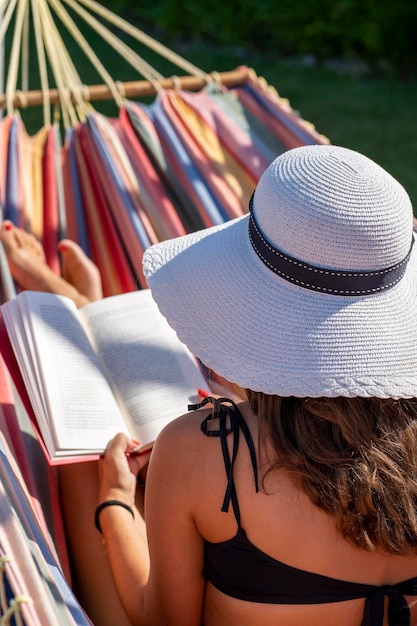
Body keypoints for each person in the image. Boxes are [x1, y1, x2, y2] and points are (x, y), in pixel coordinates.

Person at [2, 144, 417, 626]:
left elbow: (160, 621)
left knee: (86, 470)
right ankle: (84, 313)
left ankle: (80, 318)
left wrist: (115, 502)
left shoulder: (204, 451)